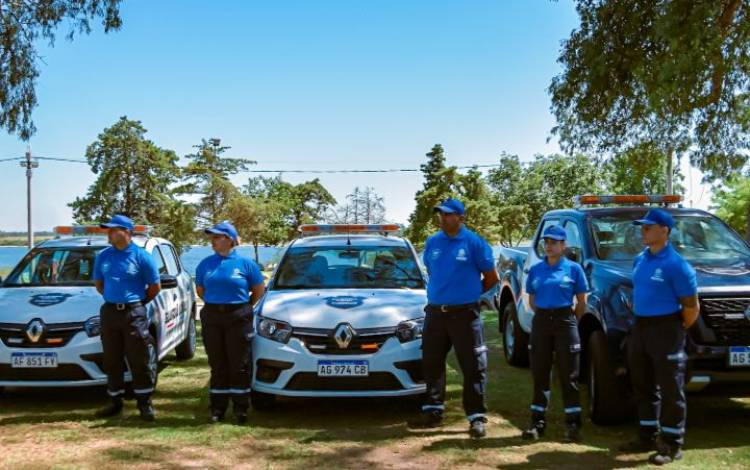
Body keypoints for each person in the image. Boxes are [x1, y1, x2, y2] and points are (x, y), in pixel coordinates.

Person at [409, 198, 499, 438]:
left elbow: (491, 277)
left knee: (472, 366)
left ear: (460, 217)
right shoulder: (433, 242)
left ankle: (476, 416)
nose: (443, 218)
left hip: (465, 314)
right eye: (441, 214)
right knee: (432, 363)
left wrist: (472, 296)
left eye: (448, 214)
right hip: (436, 313)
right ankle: (433, 410)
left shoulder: (474, 243)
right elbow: (433, 271)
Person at [619, 208, 699, 466]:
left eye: (647, 227)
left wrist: (677, 330)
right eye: (642, 227)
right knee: (642, 382)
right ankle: (646, 434)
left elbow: (691, 307)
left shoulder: (676, 265)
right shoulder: (641, 258)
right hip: (641, 327)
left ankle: (672, 443)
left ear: (664, 230)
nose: (642, 231)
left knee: (670, 387)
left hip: (666, 328)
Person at [521, 224, 588, 442]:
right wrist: (545, 316)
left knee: (569, 376)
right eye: (546, 242)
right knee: (540, 373)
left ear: (563, 245)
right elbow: (531, 299)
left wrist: (570, 322)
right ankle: (537, 423)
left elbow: (581, 302)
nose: (549, 246)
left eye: (554, 242)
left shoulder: (574, 269)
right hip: (541, 322)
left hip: (565, 321)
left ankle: (573, 425)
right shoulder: (536, 270)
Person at [196, 221, 265, 424]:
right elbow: (201, 290)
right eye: (212, 237)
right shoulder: (205, 264)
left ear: (229, 239)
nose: (213, 241)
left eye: (217, 237)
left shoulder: (246, 264)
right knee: (218, 364)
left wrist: (243, 308)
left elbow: (258, 290)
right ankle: (217, 408)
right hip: (213, 316)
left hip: (238, 316)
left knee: (239, 364)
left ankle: (240, 408)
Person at [93, 214, 161, 421]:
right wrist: (114, 300)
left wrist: (136, 304)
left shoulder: (142, 256)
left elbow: (154, 287)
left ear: (127, 232)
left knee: (138, 358)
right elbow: (100, 285)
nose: (110, 234)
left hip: (134, 312)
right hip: (110, 311)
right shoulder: (103, 256)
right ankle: (115, 401)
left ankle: (144, 403)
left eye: (114, 230)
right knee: (112, 358)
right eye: (109, 230)